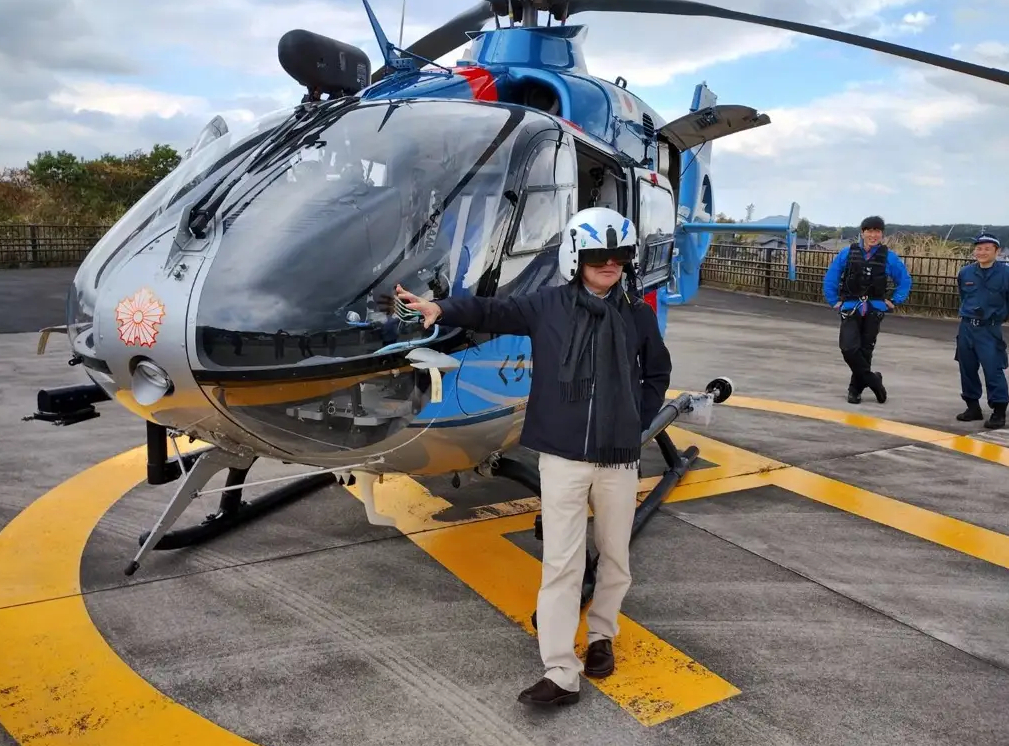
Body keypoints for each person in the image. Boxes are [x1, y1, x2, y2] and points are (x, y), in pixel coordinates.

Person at [395, 206, 672, 707]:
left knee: (615, 555)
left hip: (617, 457)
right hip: (563, 456)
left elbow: (657, 372)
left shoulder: (638, 314)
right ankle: (560, 670)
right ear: (576, 258)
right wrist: (441, 309)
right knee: (562, 562)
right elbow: (491, 311)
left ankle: (602, 635)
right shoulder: (548, 306)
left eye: (619, 256)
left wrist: (636, 418)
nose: (610, 264)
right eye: (598, 256)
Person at [822, 216, 912, 404]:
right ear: (862, 233)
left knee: (865, 351)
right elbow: (831, 277)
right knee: (848, 348)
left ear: (882, 234)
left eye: (877, 231)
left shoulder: (889, 257)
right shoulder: (847, 253)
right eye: (869, 231)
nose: (873, 235)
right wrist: (833, 301)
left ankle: (855, 390)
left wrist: (894, 300)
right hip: (850, 307)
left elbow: (904, 280)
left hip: (874, 309)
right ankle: (874, 380)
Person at [954, 232, 1009, 429]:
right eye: (978, 248)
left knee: (993, 369)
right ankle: (972, 407)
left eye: (987, 249)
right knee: (967, 368)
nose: (982, 252)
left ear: (997, 251)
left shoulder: (1005, 273)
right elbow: (964, 296)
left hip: (989, 328)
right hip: (967, 326)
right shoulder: (966, 273)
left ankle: (999, 410)